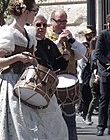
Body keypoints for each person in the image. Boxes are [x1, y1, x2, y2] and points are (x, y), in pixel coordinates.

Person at [0, 0, 69, 140]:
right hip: (10, 83)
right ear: (25, 11)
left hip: (28, 81)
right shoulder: (8, 32)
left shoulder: (29, 32)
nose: (35, 14)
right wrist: (17, 58)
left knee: (50, 121)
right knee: (14, 125)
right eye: (34, 11)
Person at [46, 9, 87, 140]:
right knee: (51, 122)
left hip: (67, 83)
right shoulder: (45, 35)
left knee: (70, 120)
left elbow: (82, 53)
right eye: (59, 22)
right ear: (52, 21)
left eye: (64, 21)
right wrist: (58, 41)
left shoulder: (70, 37)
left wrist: (72, 41)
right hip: (50, 83)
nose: (62, 25)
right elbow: (45, 54)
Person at [76, 28, 94, 123]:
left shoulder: (92, 45)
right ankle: (84, 113)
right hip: (83, 74)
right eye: (88, 34)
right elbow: (82, 61)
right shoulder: (83, 46)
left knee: (88, 96)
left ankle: (84, 112)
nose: (90, 36)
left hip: (89, 74)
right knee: (85, 95)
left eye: (91, 34)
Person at [84, 36, 100, 125]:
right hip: (95, 77)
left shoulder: (92, 52)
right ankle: (88, 115)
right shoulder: (94, 53)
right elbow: (95, 66)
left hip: (94, 76)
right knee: (95, 98)